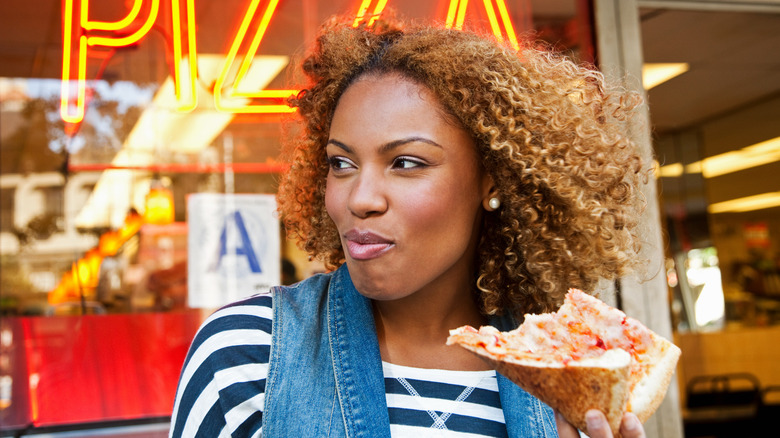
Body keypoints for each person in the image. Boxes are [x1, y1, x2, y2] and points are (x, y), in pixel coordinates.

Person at [170, 15, 650, 438]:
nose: (359, 198)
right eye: (341, 164)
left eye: (405, 162)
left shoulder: (566, 373)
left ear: (492, 179)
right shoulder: (247, 356)